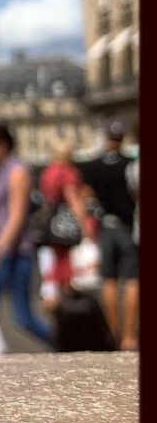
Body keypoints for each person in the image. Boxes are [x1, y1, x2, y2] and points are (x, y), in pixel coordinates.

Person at [0, 123, 53, 347]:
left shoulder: (17, 171)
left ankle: (63, 344)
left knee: (24, 318)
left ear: (3, 144)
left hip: (15, 253)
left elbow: (17, 217)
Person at [78, 122, 138, 351]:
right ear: (122, 139)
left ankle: (114, 333)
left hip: (105, 225)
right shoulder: (129, 164)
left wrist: (88, 222)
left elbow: (84, 195)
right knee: (132, 279)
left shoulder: (93, 166)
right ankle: (130, 336)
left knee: (109, 280)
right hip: (126, 225)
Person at [36, 140, 96, 313]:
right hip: (66, 223)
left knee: (56, 261)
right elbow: (73, 199)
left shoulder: (48, 171)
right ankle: (69, 306)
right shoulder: (67, 172)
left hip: (51, 222)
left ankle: (55, 301)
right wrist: (84, 224)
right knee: (68, 263)